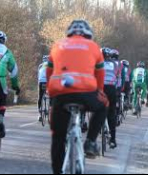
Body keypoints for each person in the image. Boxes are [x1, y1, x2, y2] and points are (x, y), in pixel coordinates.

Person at [47, 20, 108, 174]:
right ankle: (90, 142)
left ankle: (57, 171)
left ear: (69, 33)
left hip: (61, 93)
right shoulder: (93, 47)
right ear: (88, 35)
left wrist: (51, 92)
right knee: (104, 105)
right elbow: (100, 74)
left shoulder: (57, 45)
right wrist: (99, 92)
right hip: (86, 93)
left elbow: (49, 71)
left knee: (58, 136)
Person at [0, 31, 20, 138]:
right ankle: (0, 122)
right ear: (3, 40)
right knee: (2, 101)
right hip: (0, 81)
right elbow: (14, 71)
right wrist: (15, 86)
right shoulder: (7, 52)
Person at [102, 47, 119, 149]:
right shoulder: (114, 64)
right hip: (112, 89)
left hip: (101, 89)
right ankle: (113, 139)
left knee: (96, 111)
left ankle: (92, 141)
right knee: (111, 114)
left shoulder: (98, 63)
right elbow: (118, 77)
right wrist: (117, 89)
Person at [37, 55, 49, 122]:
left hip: (41, 82)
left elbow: (38, 76)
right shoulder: (51, 65)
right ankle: (50, 110)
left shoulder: (40, 66)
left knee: (40, 96)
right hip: (48, 82)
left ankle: (39, 114)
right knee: (51, 96)